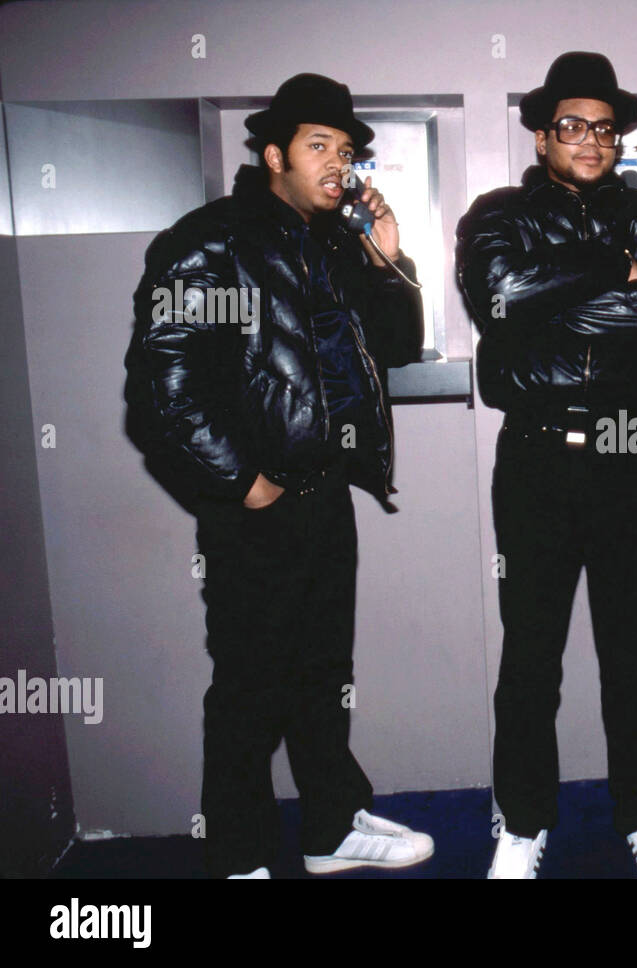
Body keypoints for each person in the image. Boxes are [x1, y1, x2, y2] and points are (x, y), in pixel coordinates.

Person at [125, 73, 432, 879]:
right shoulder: (211, 243)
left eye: (346, 150)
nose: (337, 163)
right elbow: (161, 388)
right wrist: (241, 482)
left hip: (326, 495)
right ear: (274, 155)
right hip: (255, 507)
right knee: (250, 688)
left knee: (324, 676)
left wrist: (388, 255)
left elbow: (398, 345)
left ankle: (330, 831)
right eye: (318, 145)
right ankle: (239, 858)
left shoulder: (330, 243)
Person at [455, 51, 637, 878]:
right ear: (541, 136)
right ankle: (522, 822)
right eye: (572, 126)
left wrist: (555, 303)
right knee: (531, 654)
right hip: (537, 459)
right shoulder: (498, 214)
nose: (591, 140)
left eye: (605, 127)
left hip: (632, 457)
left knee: (633, 656)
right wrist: (609, 270)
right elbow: (500, 297)